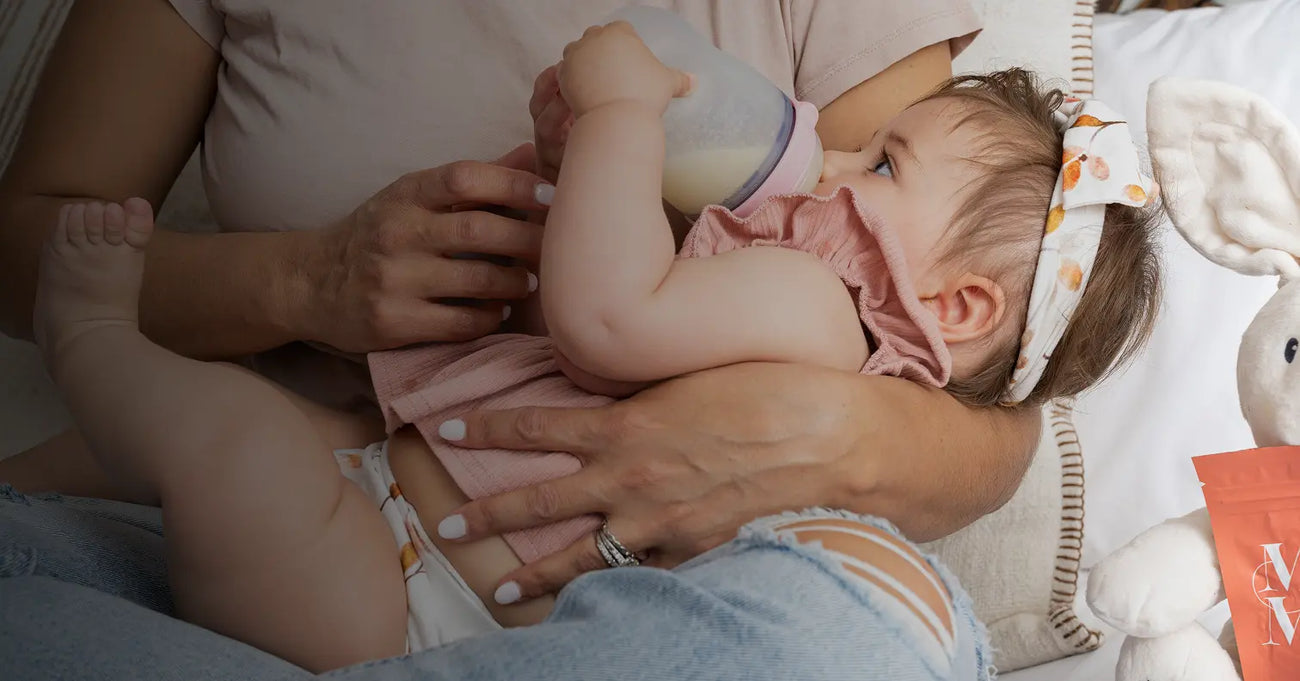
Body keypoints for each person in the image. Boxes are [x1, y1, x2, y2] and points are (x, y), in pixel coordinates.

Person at [27, 11, 1162, 671]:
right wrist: (301, 277)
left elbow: (608, 318)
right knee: (193, 458)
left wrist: (623, 121)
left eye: (879, 166)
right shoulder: (800, 282)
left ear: (957, 311)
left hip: (399, 582)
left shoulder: (815, 305)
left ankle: (93, 340)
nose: (823, 159)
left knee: (219, 443)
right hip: (390, 517)